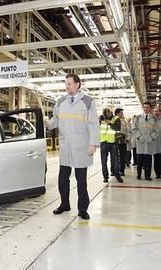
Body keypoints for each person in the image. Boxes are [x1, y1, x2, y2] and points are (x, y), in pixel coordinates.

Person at [45, 73, 99, 220]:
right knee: (63, 179)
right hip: (65, 146)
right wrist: (47, 124)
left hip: (81, 146)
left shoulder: (88, 102)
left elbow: (94, 124)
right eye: (66, 83)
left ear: (77, 84)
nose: (66, 86)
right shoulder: (61, 101)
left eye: (69, 83)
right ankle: (64, 204)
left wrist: (93, 144)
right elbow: (55, 120)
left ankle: (82, 209)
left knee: (81, 180)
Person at [132, 102, 158, 180]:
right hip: (141, 142)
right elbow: (133, 128)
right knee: (139, 160)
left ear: (150, 108)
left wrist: (152, 137)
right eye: (145, 107)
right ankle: (139, 174)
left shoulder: (153, 119)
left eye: (148, 107)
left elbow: (156, 130)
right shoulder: (138, 118)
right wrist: (139, 137)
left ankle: (147, 176)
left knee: (148, 161)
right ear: (143, 108)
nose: (146, 108)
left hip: (149, 142)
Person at [99, 108, 121, 183]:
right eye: (105, 113)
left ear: (111, 113)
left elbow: (118, 128)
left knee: (116, 160)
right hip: (103, 142)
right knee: (103, 161)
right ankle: (105, 177)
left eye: (108, 113)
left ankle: (117, 175)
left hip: (113, 142)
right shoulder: (101, 119)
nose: (106, 114)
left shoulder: (116, 118)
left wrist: (110, 123)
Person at [114, 108, 127, 178]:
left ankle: (122, 170)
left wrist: (127, 138)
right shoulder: (113, 120)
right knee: (115, 157)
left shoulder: (124, 121)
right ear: (117, 113)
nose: (122, 114)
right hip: (115, 141)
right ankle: (114, 171)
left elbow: (126, 131)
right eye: (121, 113)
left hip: (123, 141)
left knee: (122, 157)